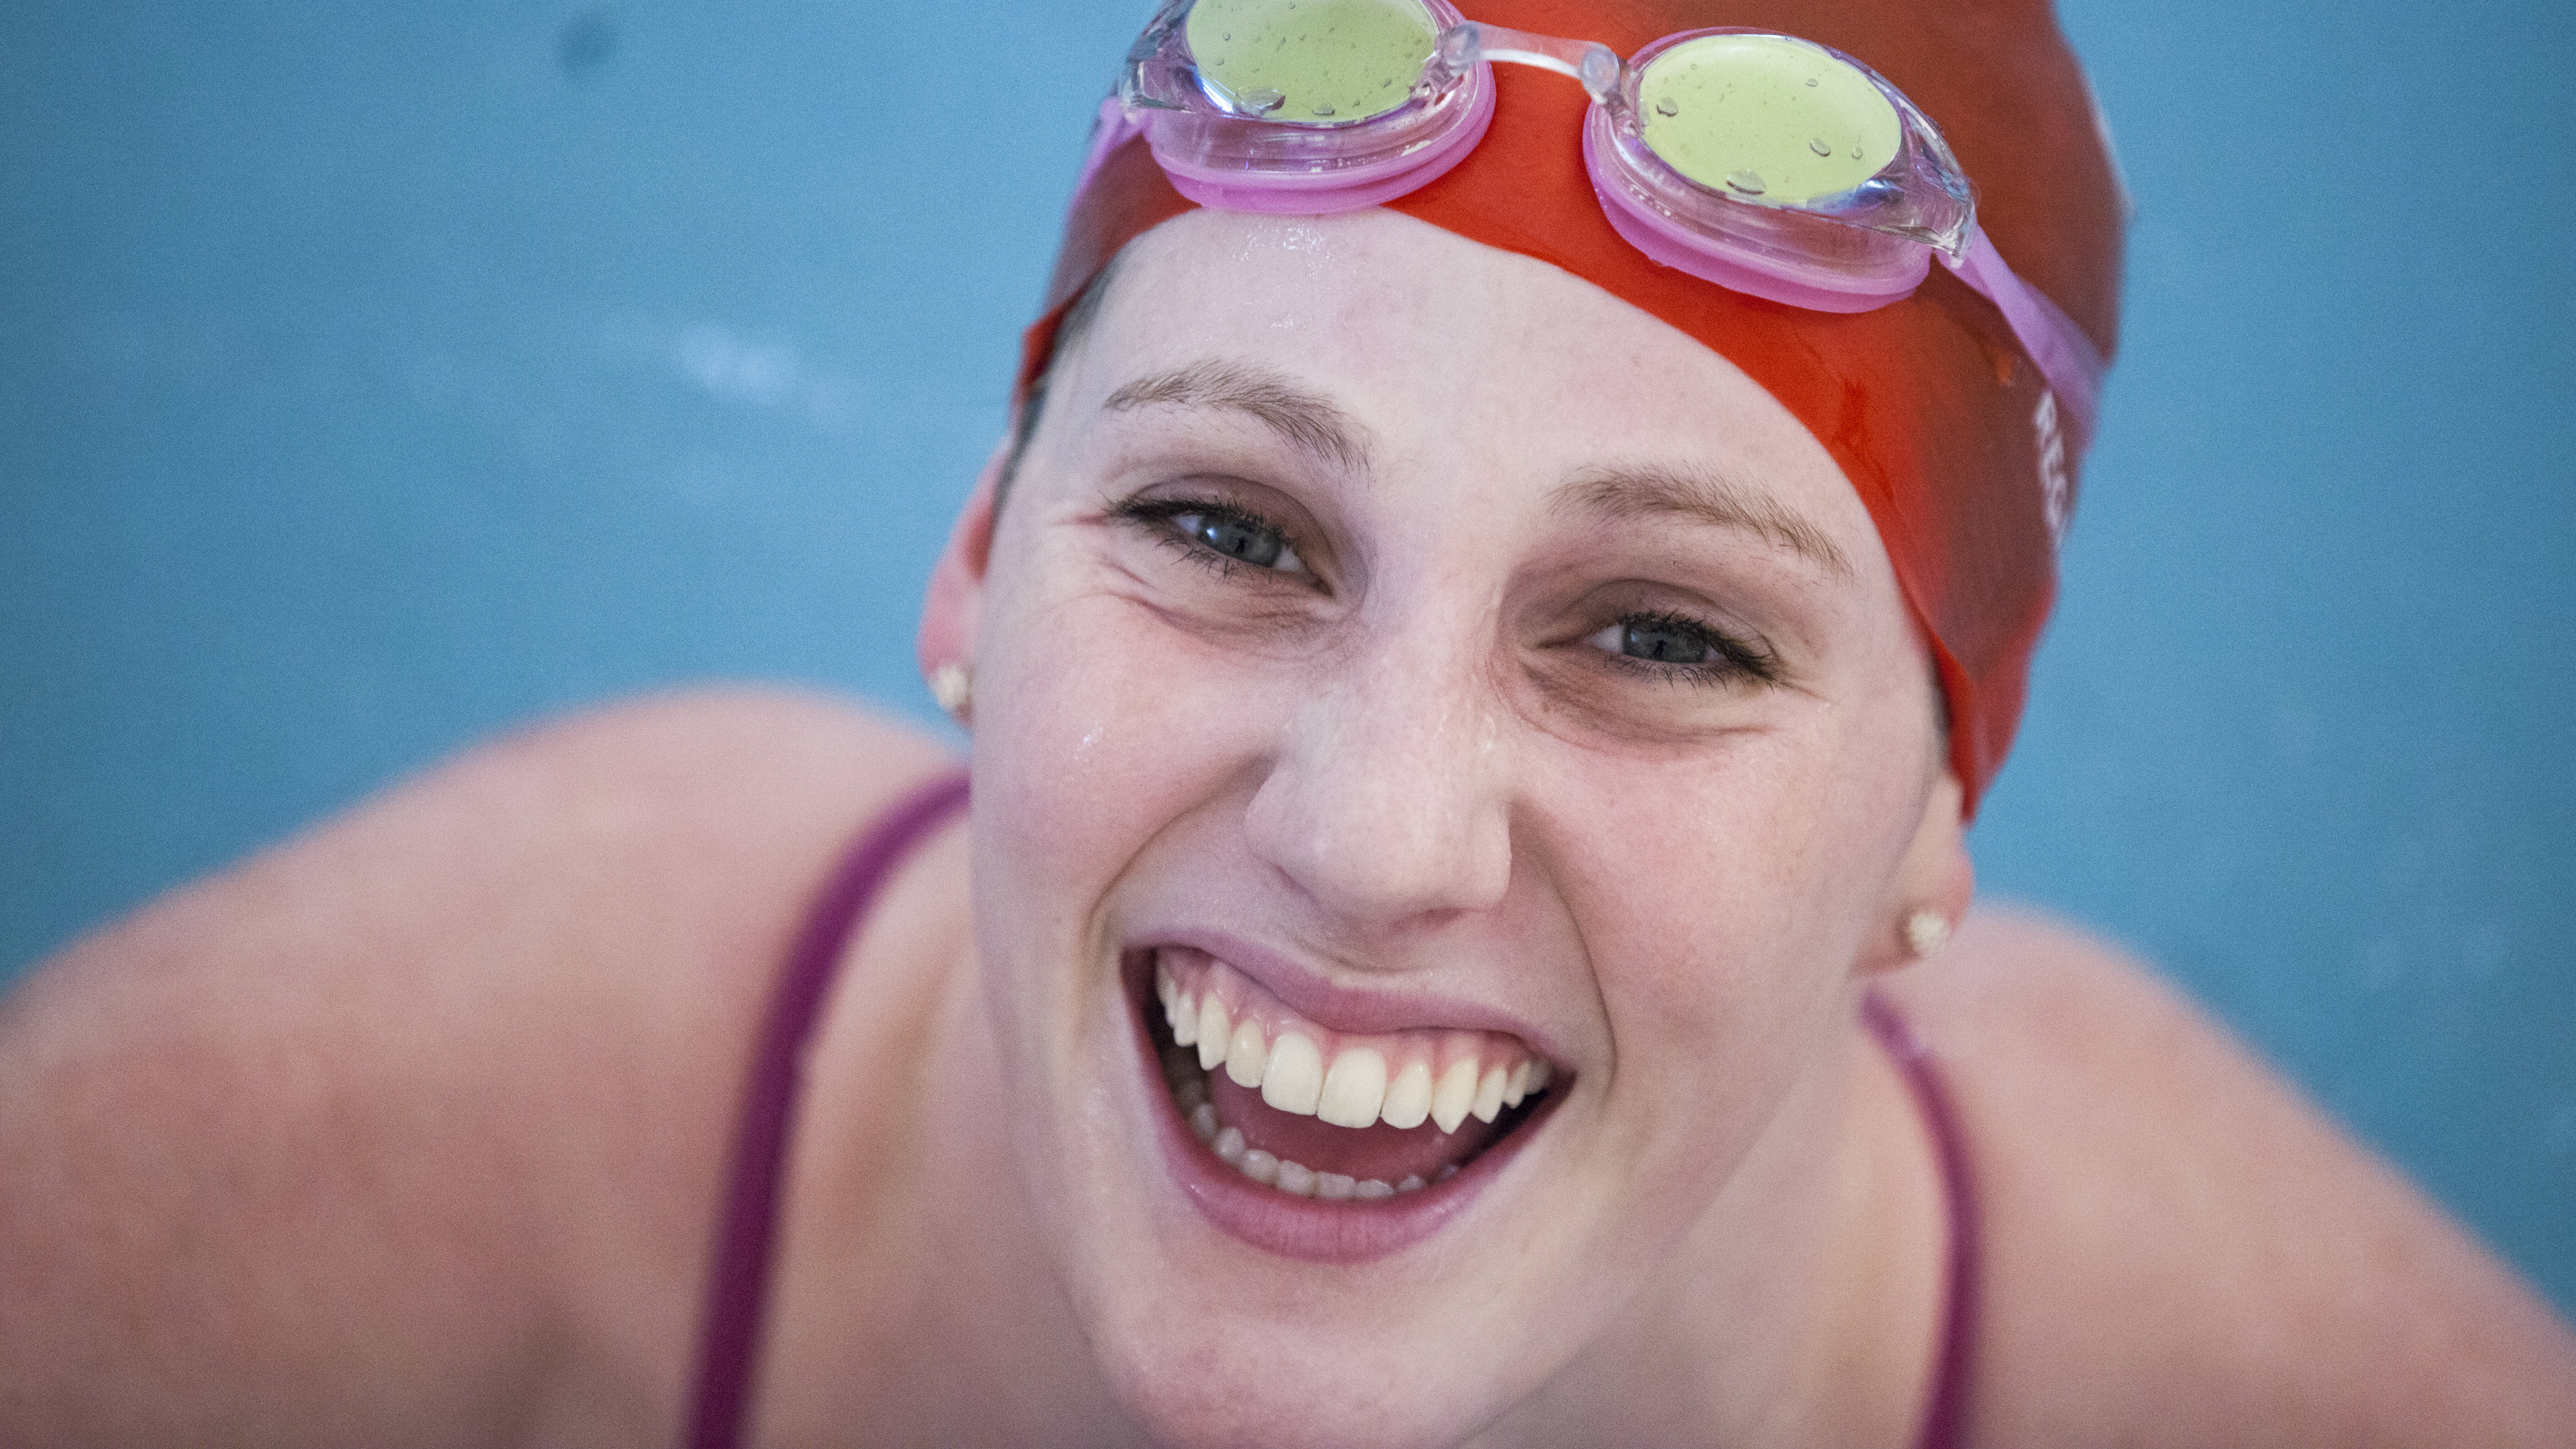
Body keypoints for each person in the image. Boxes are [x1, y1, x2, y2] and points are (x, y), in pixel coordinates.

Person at [4, 0, 2571, 1444]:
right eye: (1229, 532)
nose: (1370, 836)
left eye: (1663, 632)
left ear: (1933, 809)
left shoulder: (2257, 1386)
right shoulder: (431, 1129)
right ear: (981, 564)